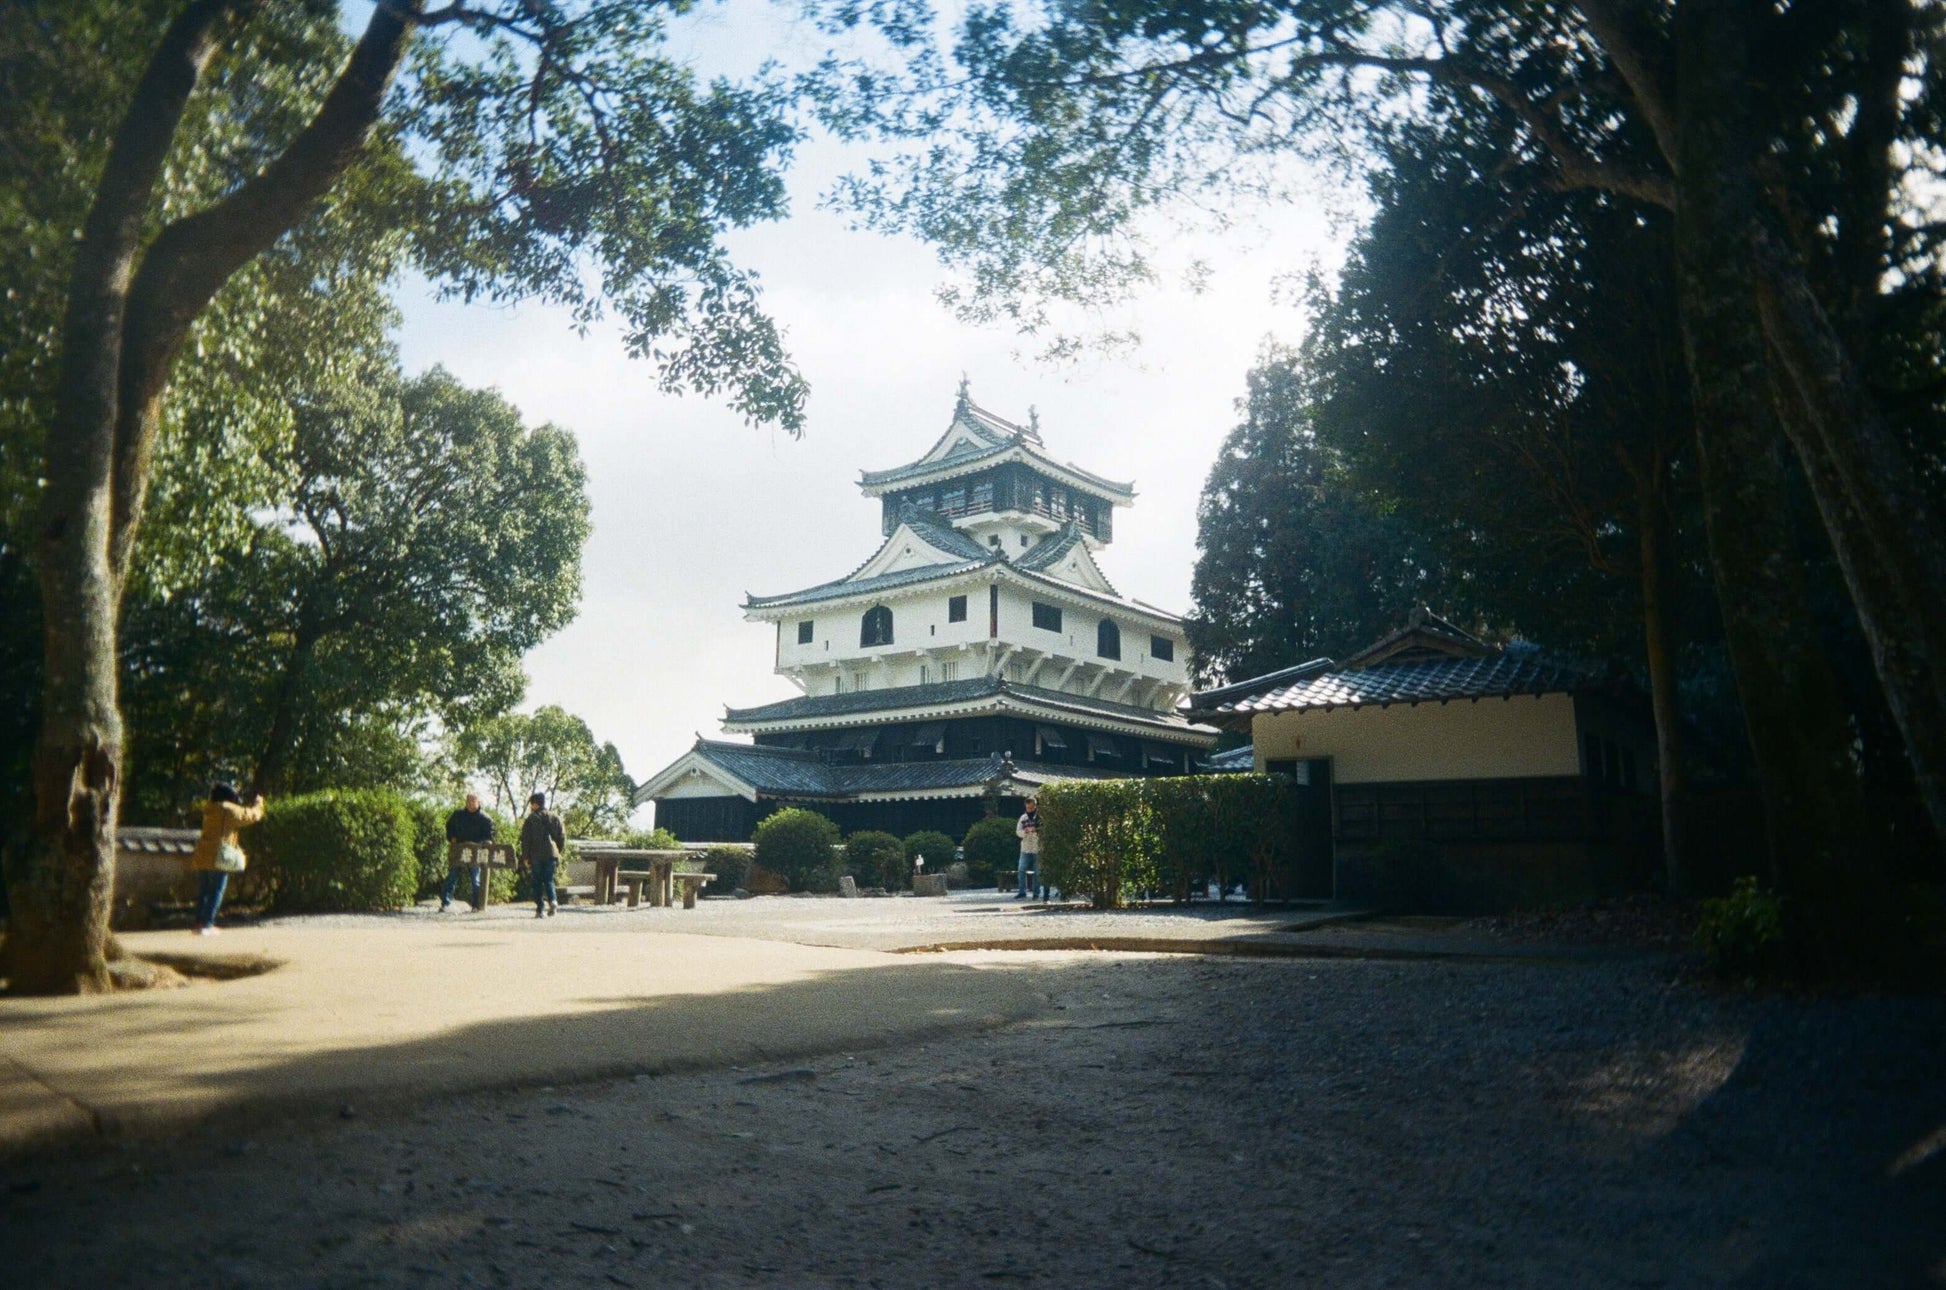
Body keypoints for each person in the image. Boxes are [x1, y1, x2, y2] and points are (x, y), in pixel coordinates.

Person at [189, 783, 265, 935]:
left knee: (204, 890)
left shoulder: (209, 809)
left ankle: (199, 923)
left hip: (203, 853)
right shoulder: (228, 810)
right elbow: (251, 815)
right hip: (219, 854)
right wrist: (259, 804)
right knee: (216, 890)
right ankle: (207, 924)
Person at [439, 792, 497, 911]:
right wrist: (452, 837)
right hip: (460, 850)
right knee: (452, 877)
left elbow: (489, 836)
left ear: (478, 802)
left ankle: (476, 905)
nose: (470, 803)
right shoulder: (457, 815)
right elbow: (449, 827)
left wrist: (480, 843)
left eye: (473, 801)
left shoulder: (485, 819)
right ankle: (445, 903)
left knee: (475, 880)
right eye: (468, 801)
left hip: (475, 853)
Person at [519, 791, 565, 918]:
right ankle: (553, 901)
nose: (530, 806)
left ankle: (540, 908)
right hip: (551, 853)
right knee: (549, 880)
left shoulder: (531, 819)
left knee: (537, 881)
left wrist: (525, 856)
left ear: (535, 804)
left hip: (536, 854)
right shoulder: (554, 816)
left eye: (531, 804)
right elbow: (561, 836)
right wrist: (557, 850)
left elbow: (526, 839)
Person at [1014, 796, 1041, 899]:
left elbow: (1044, 830)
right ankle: (1022, 891)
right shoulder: (1023, 818)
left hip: (1037, 847)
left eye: (1031, 808)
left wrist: (1036, 830)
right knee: (1021, 869)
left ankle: (1036, 893)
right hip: (1025, 847)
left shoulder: (1040, 817)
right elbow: (1017, 831)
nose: (1029, 810)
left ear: (1035, 806)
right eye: (1027, 808)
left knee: (1037, 872)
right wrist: (1024, 832)